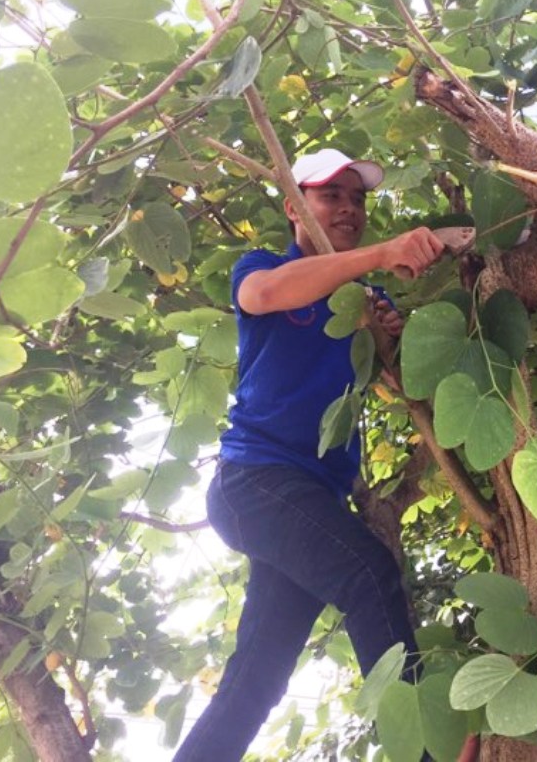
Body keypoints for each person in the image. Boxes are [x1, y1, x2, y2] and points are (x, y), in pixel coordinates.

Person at [173, 149, 445, 762]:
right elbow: (264, 295)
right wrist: (380, 254)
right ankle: (424, 752)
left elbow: (403, 380)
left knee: (258, 679)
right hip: (254, 483)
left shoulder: (366, 296)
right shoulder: (264, 266)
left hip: (310, 496)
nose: (348, 208)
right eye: (331, 196)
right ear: (294, 207)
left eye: (358, 199)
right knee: (368, 573)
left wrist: (389, 334)